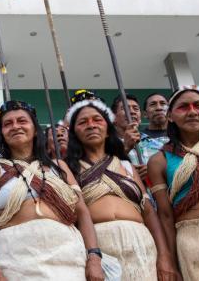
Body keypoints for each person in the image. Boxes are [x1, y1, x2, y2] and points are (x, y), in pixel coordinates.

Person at [0, 100, 104, 281]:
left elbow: (82, 213)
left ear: (35, 129)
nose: (15, 127)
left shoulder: (59, 167)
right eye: (7, 124)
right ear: (2, 134)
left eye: (22, 121)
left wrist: (94, 257)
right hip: (15, 260)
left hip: (68, 256)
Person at [65, 98, 178, 280]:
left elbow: (149, 212)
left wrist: (165, 257)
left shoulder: (126, 165)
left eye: (97, 120)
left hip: (141, 243)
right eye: (83, 122)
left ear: (109, 129)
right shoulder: (68, 168)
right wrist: (92, 256)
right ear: (74, 132)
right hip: (96, 246)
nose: (91, 125)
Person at [148, 86, 199, 280]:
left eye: (198, 106)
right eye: (183, 107)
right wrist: (172, 261)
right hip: (194, 242)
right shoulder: (159, 160)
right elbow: (165, 215)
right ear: (170, 116)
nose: (192, 112)